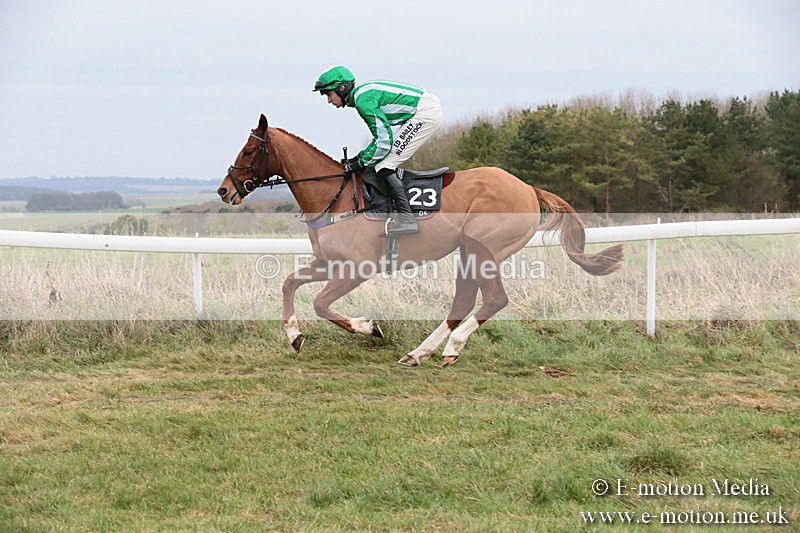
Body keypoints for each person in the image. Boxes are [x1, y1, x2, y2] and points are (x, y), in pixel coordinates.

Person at [313, 66, 443, 236]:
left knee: (385, 164)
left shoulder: (363, 102)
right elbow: (380, 137)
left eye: (329, 94)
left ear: (341, 88)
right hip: (423, 111)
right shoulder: (362, 96)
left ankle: (408, 221)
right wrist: (359, 158)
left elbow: (384, 143)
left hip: (425, 114)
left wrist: (360, 164)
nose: (329, 100)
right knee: (380, 159)